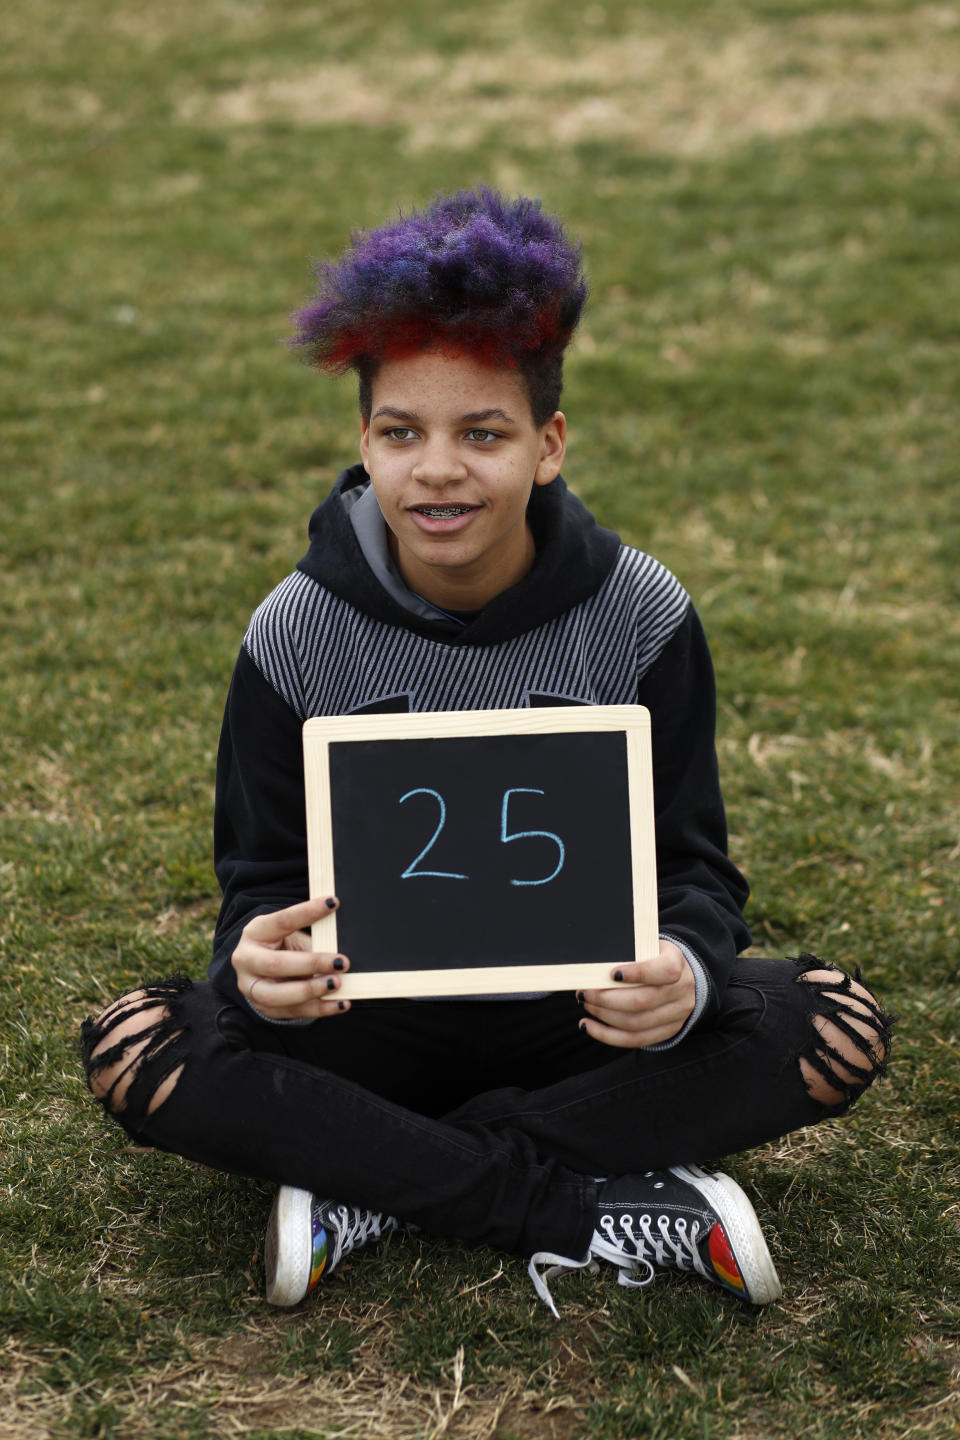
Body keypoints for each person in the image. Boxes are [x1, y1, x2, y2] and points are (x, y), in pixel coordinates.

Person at [82, 188, 892, 1317]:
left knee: (837, 1026)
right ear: (365, 443)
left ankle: (371, 1175)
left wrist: (688, 975)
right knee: (138, 1046)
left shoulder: (643, 612)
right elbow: (261, 886)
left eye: (483, 433)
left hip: (579, 1022)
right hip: (365, 1027)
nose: (438, 471)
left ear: (547, 446)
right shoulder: (294, 631)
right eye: (401, 432)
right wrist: (259, 975)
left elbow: (696, 870)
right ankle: (585, 1207)